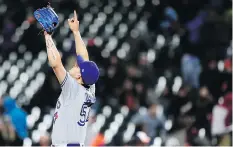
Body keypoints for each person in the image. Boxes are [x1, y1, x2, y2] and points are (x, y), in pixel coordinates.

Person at [44, 10, 99, 146]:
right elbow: (84, 57)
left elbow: (56, 64)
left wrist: (48, 36)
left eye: (77, 66)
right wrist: (76, 32)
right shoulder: (89, 87)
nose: (75, 64)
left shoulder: (73, 89)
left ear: (79, 75)